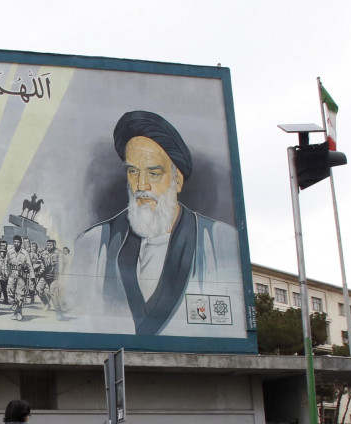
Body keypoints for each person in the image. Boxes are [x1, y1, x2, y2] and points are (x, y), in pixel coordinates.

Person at [62, 110, 244, 336]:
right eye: (132, 172)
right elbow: (76, 324)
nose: (141, 185)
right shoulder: (92, 244)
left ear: (177, 180)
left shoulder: (220, 241)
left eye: (154, 173)